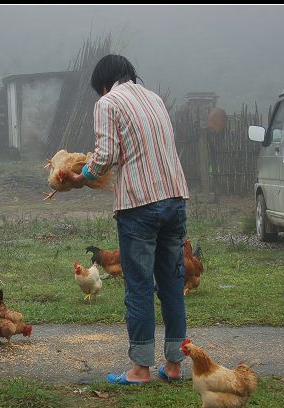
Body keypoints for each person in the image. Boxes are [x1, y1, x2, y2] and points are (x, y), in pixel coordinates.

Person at [63, 54, 190, 384]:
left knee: (139, 287)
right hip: (175, 199)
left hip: (140, 205)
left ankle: (140, 369)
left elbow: (105, 156)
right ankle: (174, 365)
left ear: (104, 84)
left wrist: (81, 177)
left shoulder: (108, 102)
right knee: (172, 283)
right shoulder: (155, 99)